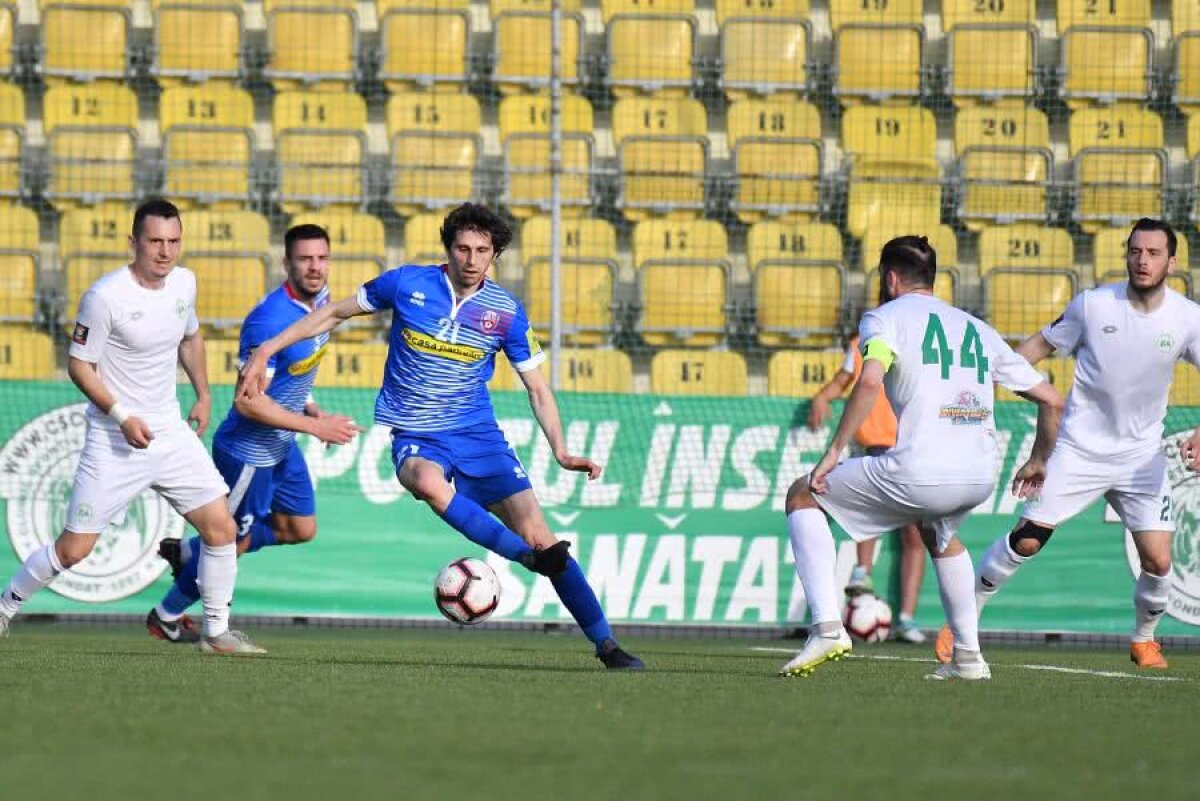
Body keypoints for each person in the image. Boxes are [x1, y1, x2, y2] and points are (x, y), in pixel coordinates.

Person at [239, 203, 644, 669]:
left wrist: (561, 450)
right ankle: (526, 559)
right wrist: (266, 349)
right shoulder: (407, 284)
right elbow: (333, 313)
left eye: (482, 251)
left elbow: (537, 388)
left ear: (495, 255)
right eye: (463, 248)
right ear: (448, 249)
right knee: (428, 482)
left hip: (479, 437)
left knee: (544, 538)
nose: (471, 259)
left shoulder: (506, 313)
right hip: (417, 433)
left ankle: (607, 644)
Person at [779, 235, 1063, 680]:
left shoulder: (883, 318)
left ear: (890, 278)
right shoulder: (976, 328)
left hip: (921, 470)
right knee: (939, 535)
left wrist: (833, 452)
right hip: (979, 475)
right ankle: (968, 657)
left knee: (802, 495)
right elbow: (1052, 400)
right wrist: (1039, 459)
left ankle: (828, 629)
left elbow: (868, 381)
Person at [934, 218, 1200, 670]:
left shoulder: (1187, 318)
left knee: (1158, 562)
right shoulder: (1093, 306)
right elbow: (1039, 345)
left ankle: (1144, 640)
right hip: (1078, 448)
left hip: (1141, 457)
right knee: (1027, 541)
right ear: (1126, 254)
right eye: (1136, 251)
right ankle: (962, 622)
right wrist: (989, 380)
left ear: (1171, 263)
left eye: (1154, 253)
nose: (1143, 261)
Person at [0, 199, 263, 654]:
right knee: (74, 550)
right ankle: (5, 607)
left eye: (174, 241)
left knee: (222, 528)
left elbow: (190, 337)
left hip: (170, 433)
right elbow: (79, 366)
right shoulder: (104, 297)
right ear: (133, 243)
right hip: (114, 440)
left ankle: (216, 633)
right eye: (155, 241)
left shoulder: (184, 282)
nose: (165, 251)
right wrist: (122, 416)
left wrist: (203, 394)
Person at [146, 224, 363, 643]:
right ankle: (166, 615)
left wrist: (309, 405)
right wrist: (316, 426)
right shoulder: (269, 320)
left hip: (283, 444)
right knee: (231, 542)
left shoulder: (323, 304)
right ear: (287, 263)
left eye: (322, 258)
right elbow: (247, 402)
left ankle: (187, 551)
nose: (315, 267)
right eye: (305, 258)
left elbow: (291, 373)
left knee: (300, 528)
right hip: (249, 453)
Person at [808, 326, 927, 643]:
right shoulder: (860, 343)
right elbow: (843, 380)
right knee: (871, 511)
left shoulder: (919, 342)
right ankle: (863, 573)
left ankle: (906, 618)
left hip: (911, 447)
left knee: (915, 534)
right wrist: (822, 396)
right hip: (877, 444)